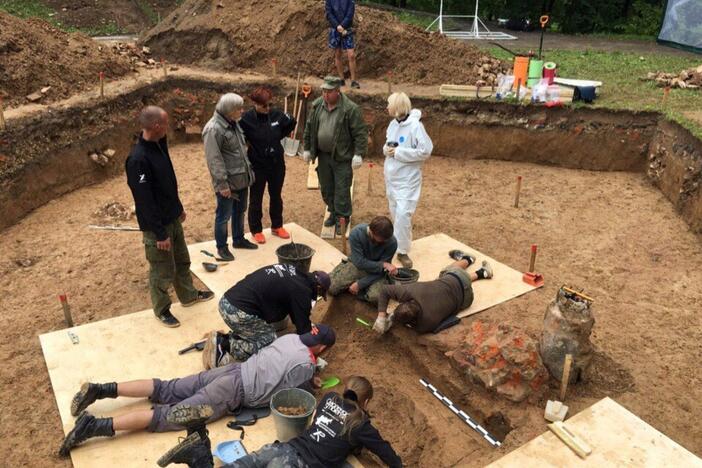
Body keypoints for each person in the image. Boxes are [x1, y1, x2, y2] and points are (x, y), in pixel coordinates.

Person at [58, 328, 336, 457]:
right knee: (169, 415)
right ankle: (95, 425)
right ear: (322, 349)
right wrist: (310, 380)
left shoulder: (290, 338)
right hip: (233, 391)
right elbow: (290, 396)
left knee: (167, 387)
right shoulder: (306, 363)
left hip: (231, 372)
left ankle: (102, 389)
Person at [158, 376, 403, 468]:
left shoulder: (328, 398)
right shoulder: (360, 424)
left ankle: (199, 445)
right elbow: (384, 451)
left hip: (283, 447)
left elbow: (321, 424)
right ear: (366, 402)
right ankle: (197, 452)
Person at [126, 106, 214, 328]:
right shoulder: (138, 160)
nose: (168, 127)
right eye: (165, 123)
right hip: (158, 227)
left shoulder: (159, 145)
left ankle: (188, 295)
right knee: (162, 270)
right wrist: (159, 233)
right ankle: (162, 309)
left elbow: (168, 183)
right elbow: (144, 201)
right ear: (156, 126)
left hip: (172, 218)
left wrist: (178, 207)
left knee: (182, 261)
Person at [202, 265, 332, 368]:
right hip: (237, 311)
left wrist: (306, 325)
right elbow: (303, 329)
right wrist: (310, 357)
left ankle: (235, 336)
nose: (318, 295)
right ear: (318, 287)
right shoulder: (303, 292)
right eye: (320, 292)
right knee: (269, 342)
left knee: (264, 328)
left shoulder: (296, 273)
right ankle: (225, 345)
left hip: (228, 301)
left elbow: (294, 310)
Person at [303, 76, 367, 235]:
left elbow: (360, 133)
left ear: (337, 91)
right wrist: (307, 148)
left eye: (329, 92)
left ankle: (342, 218)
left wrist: (359, 154)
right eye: (324, 91)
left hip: (342, 157)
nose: (325, 94)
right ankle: (332, 211)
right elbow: (309, 127)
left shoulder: (350, 109)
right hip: (323, 156)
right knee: (326, 187)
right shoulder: (318, 105)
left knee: (342, 188)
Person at [373, 250, 493, 335]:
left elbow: (414, 325)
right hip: (456, 279)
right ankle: (468, 260)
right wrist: (382, 315)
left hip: (466, 301)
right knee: (446, 273)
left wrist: (387, 318)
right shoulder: (410, 291)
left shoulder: (424, 325)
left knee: (448, 277)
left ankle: (481, 271)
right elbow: (385, 290)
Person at [203, 93, 258, 261]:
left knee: (240, 211)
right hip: (227, 183)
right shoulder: (213, 129)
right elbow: (214, 159)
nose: (242, 111)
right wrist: (222, 185)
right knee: (223, 216)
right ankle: (221, 247)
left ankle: (238, 239)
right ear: (229, 111)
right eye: (238, 109)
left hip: (241, 179)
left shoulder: (233, 123)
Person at [239, 86, 296, 244]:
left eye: (270, 104)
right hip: (258, 165)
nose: (268, 108)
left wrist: (278, 136)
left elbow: (291, 122)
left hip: (277, 163)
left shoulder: (277, 114)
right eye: (264, 106)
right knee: (256, 198)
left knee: (276, 195)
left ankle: (277, 226)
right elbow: (239, 136)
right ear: (255, 104)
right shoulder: (246, 119)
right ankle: (256, 230)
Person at [382, 92, 433, 269]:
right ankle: (397, 244)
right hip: (392, 177)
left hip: (408, 179)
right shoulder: (392, 124)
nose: (386, 107)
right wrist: (387, 150)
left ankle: (402, 251)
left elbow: (425, 151)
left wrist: (399, 153)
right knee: (396, 212)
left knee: (404, 214)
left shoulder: (416, 127)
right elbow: (389, 143)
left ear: (397, 107)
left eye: (389, 104)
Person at [329, 216, 397, 304]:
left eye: (385, 240)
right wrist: (382, 265)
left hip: (376, 273)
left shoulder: (391, 242)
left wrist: (360, 284)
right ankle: (341, 274)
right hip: (357, 265)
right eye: (381, 241)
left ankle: (359, 289)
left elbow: (383, 271)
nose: (384, 242)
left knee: (376, 298)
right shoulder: (356, 233)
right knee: (332, 288)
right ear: (371, 232)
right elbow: (359, 262)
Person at [325, 0, 360, 89]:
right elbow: (329, 13)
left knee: (351, 55)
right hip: (335, 29)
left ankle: (353, 81)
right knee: (338, 54)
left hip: (347, 29)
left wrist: (343, 25)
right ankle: (341, 79)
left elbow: (350, 13)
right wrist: (337, 26)